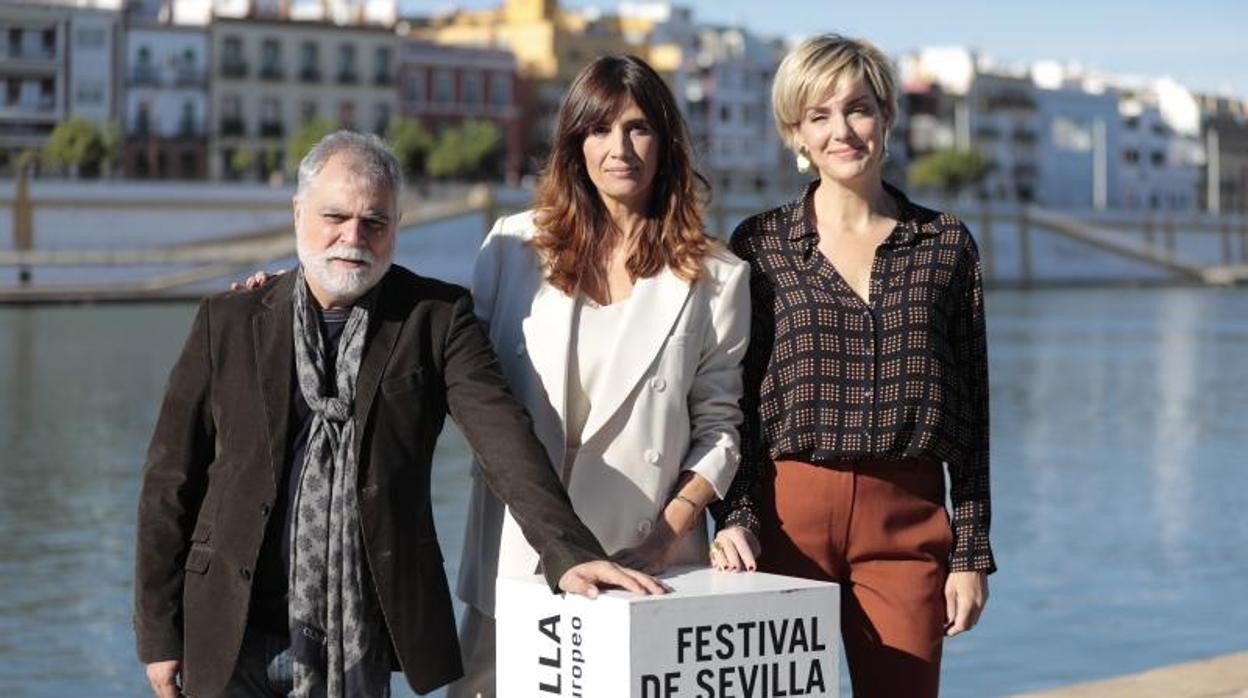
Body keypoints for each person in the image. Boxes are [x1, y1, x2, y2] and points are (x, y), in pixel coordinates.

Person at [133, 131, 664, 698]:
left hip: (359, 643)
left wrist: (570, 553)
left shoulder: (435, 319)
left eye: (374, 223)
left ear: (397, 226)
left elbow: (505, 441)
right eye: (334, 216)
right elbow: (171, 481)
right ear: (297, 214)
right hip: (229, 634)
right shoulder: (229, 320)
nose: (351, 238)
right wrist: (159, 634)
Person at [449, 55, 751, 697]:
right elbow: (454, 378)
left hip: (642, 559)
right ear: (573, 144)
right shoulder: (511, 249)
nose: (620, 148)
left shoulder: (717, 277)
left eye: (639, 128)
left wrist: (665, 539)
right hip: (514, 554)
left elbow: (721, 430)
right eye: (600, 129)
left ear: (666, 143)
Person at [708, 35, 995, 698]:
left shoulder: (946, 244)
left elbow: (974, 408)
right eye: (819, 116)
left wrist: (970, 553)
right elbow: (735, 399)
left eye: (859, 109)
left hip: (908, 523)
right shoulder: (760, 245)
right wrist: (735, 515)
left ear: (887, 116)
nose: (842, 130)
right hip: (783, 521)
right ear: (795, 133)